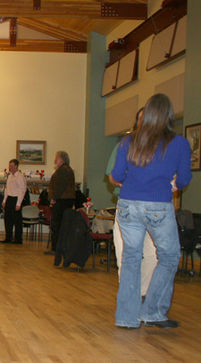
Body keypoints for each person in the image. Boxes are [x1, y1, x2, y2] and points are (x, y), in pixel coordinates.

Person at [111, 93, 191, 329]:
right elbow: (184, 179)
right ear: (168, 115)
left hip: (128, 205)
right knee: (169, 256)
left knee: (131, 258)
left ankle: (126, 317)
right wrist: (175, 183)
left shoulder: (129, 141)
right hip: (158, 206)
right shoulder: (178, 143)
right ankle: (153, 311)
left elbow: (116, 176)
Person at [107, 107, 157, 298]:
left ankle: (141, 293)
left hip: (148, 207)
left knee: (148, 253)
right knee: (130, 253)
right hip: (134, 205)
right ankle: (132, 295)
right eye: (141, 120)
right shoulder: (127, 143)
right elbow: (113, 175)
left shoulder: (162, 145)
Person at [46, 151, 75, 256]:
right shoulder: (66, 169)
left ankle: (56, 248)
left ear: (61, 159)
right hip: (65, 200)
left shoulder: (63, 170)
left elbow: (59, 187)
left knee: (57, 224)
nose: (55, 161)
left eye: (56, 158)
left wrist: (53, 198)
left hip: (62, 200)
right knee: (60, 224)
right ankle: (58, 248)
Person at [1, 159, 27, 244]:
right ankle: (8, 237)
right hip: (9, 199)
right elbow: (7, 189)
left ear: (16, 166)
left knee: (17, 221)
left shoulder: (20, 177)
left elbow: (22, 190)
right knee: (7, 219)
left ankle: (18, 239)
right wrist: (4, 200)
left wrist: (19, 203)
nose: (10, 168)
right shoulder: (10, 176)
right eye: (9, 166)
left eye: (11, 166)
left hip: (16, 199)